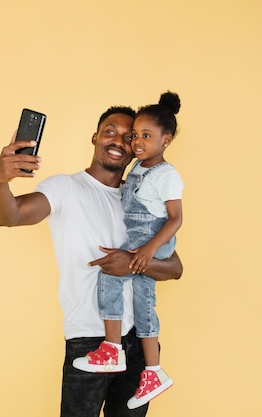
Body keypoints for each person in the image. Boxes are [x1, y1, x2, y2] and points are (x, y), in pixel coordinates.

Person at [0, 105, 183, 417]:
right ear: (95, 137)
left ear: (137, 146)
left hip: (139, 344)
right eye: (110, 132)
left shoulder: (142, 198)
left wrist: (131, 262)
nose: (118, 141)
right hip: (91, 340)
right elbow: (9, 216)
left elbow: (174, 268)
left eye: (128, 136)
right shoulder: (65, 187)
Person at [72, 92, 184, 409]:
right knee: (143, 302)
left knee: (110, 277)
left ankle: (111, 348)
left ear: (166, 140)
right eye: (136, 135)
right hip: (141, 236)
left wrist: (148, 250)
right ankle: (153, 371)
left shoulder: (167, 174)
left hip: (150, 237)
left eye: (146, 136)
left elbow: (175, 218)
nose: (136, 141)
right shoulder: (140, 166)